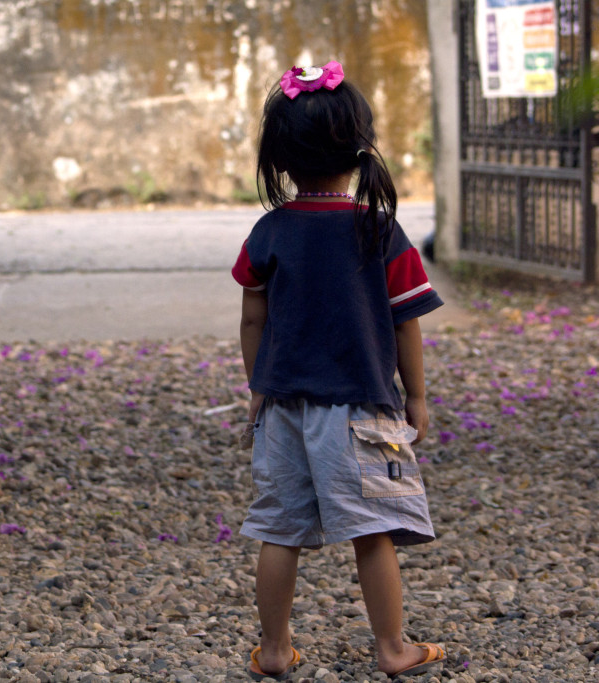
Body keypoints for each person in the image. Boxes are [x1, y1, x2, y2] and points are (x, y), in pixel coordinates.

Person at [231, 62, 446, 679]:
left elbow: (252, 322)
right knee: (373, 531)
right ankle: (392, 648)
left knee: (280, 530)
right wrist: (418, 397)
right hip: (359, 408)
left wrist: (258, 387)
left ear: (280, 160)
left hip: (283, 409)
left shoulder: (268, 232)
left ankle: (274, 651)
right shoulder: (381, 231)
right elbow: (408, 322)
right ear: (358, 150)